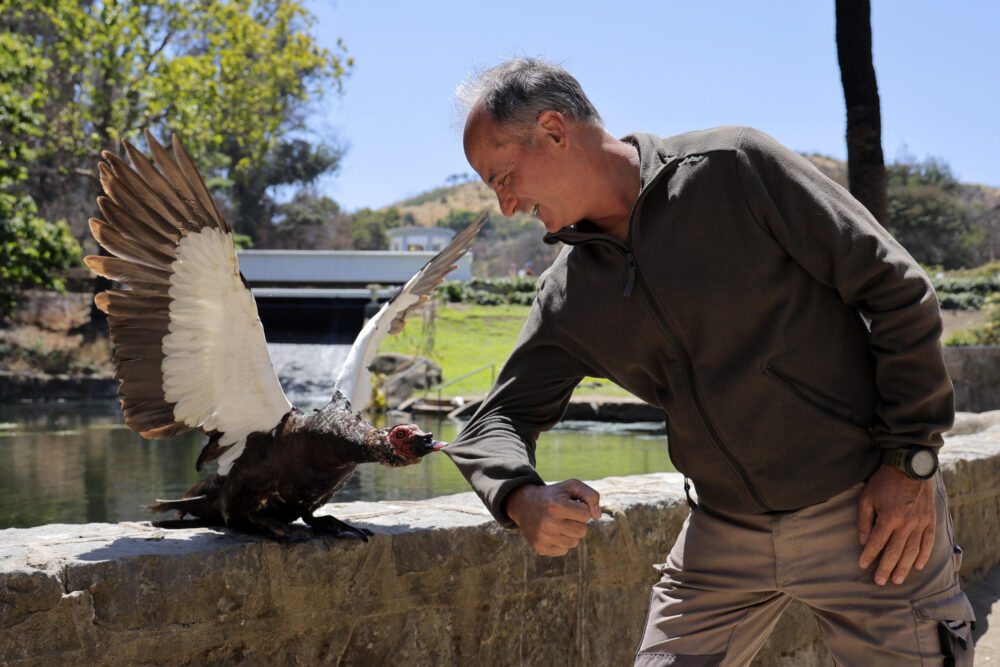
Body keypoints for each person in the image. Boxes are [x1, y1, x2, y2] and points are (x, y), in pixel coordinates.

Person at [445, 57, 975, 665]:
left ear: (554, 131)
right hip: (721, 537)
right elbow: (494, 421)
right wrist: (520, 497)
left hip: (865, 515)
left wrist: (909, 460)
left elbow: (898, 291)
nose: (507, 205)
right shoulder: (568, 296)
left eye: (503, 176)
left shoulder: (734, 168)